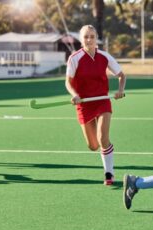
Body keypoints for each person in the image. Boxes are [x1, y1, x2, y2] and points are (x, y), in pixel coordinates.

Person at [65, 25, 126, 186]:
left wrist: (120, 90)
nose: (89, 39)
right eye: (86, 37)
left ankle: (109, 173)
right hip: (84, 104)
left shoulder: (105, 56)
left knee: (102, 138)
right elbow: (68, 82)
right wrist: (75, 95)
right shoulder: (74, 58)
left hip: (102, 101)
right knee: (93, 145)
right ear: (81, 39)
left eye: (92, 36)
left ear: (96, 37)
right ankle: (106, 148)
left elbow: (121, 75)